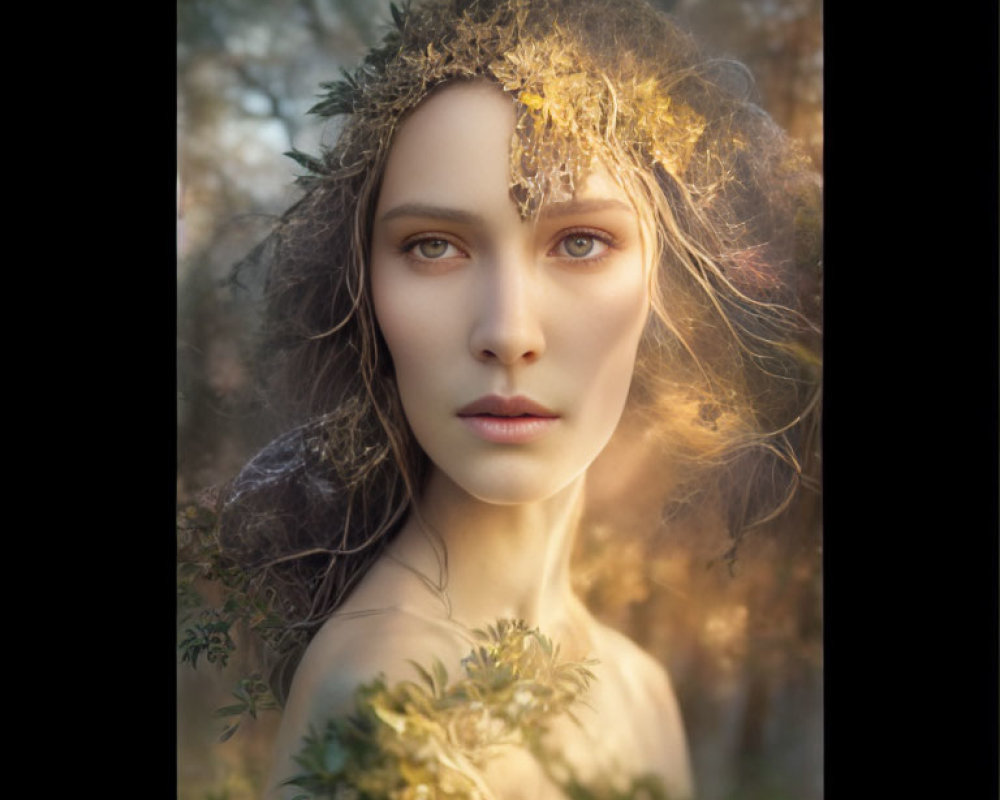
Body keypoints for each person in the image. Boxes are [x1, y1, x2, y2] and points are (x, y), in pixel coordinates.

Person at [206, 0, 822, 797]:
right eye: (433, 246)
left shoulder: (637, 688)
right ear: (365, 291)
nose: (508, 331)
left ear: (661, 284)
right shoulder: (383, 703)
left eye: (580, 242)